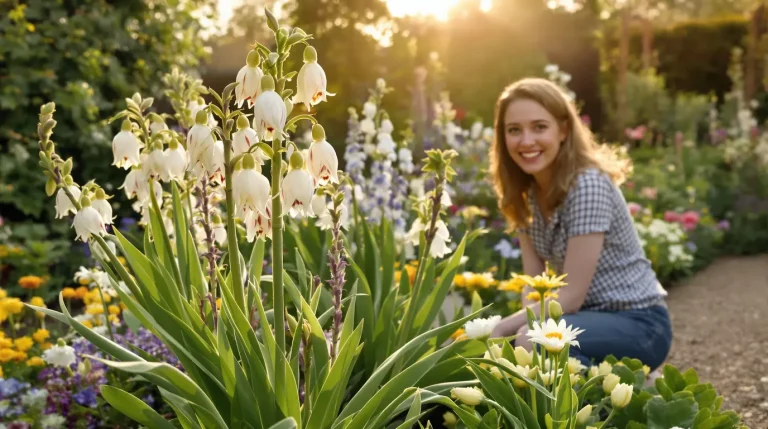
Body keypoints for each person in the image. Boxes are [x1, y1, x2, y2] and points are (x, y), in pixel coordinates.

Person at [487, 77, 672, 370]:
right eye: (514, 130)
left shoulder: (588, 185)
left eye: (539, 127)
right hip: (580, 321)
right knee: (527, 343)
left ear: (563, 129)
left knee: (532, 341)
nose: (526, 141)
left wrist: (503, 328)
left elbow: (571, 296)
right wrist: (519, 330)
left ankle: (619, 397)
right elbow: (533, 287)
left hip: (640, 323)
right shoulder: (526, 196)